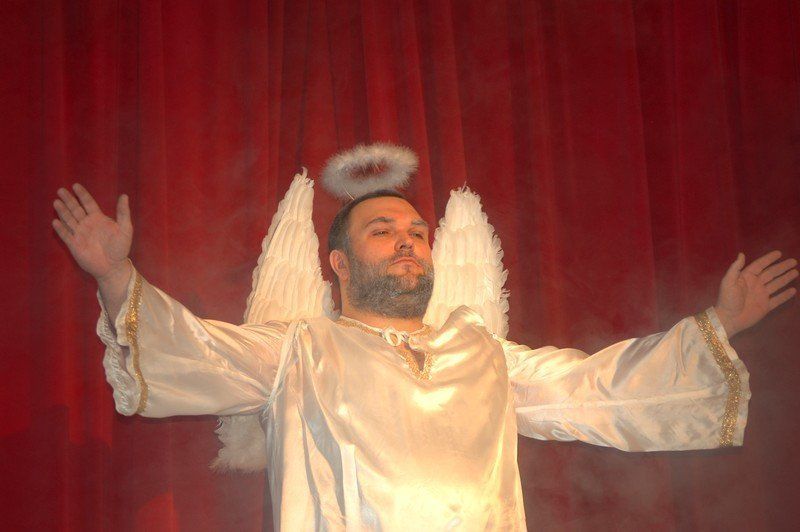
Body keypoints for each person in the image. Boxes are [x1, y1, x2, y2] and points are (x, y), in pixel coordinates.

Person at [52, 182, 797, 531]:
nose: (407, 241)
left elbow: (597, 389)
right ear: (339, 264)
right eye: (383, 231)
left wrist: (720, 325)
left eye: (416, 232)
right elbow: (194, 352)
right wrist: (116, 276)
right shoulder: (298, 349)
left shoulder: (483, 353)